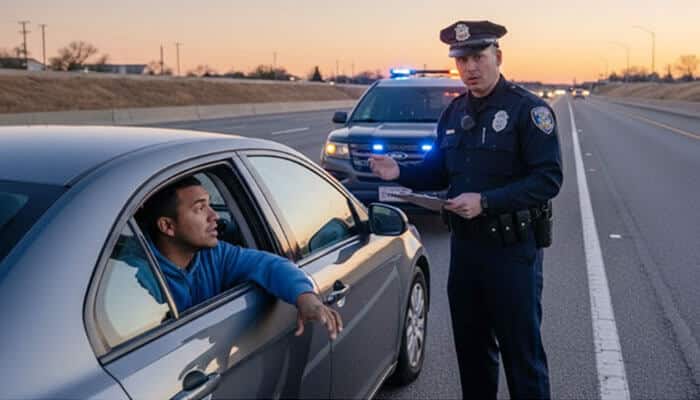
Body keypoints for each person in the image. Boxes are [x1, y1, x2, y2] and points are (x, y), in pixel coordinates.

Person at [369, 20, 562, 399]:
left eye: (477, 57)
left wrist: (487, 201)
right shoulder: (454, 114)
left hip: (513, 253)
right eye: (461, 60)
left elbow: (548, 180)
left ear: (498, 57)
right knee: (472, 354)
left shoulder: (529, 111)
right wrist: (401, 172)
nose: (469, 68)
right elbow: (441, 170)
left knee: (522, 357)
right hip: (466, 253)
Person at [135, 176, 342, 340]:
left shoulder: (214, 255)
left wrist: (306, 298)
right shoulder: (139, 279)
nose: (214, 216)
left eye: (210, 205)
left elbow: (269, 265)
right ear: (167, 226)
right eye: (200, 208)